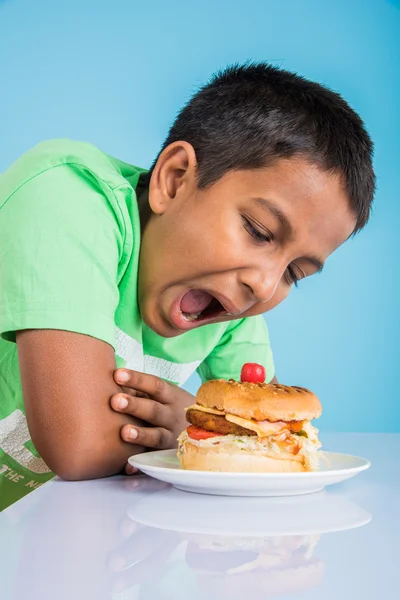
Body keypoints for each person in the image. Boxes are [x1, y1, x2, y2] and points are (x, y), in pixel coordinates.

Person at [0, 63, 375, 510]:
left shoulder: (230, 307)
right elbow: (78, 447)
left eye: (295, 273)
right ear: (175, 179)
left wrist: (210, 433)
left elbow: (275, 446)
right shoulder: (68, 195)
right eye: (258, 230)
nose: (264, 284)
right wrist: (199, 433)